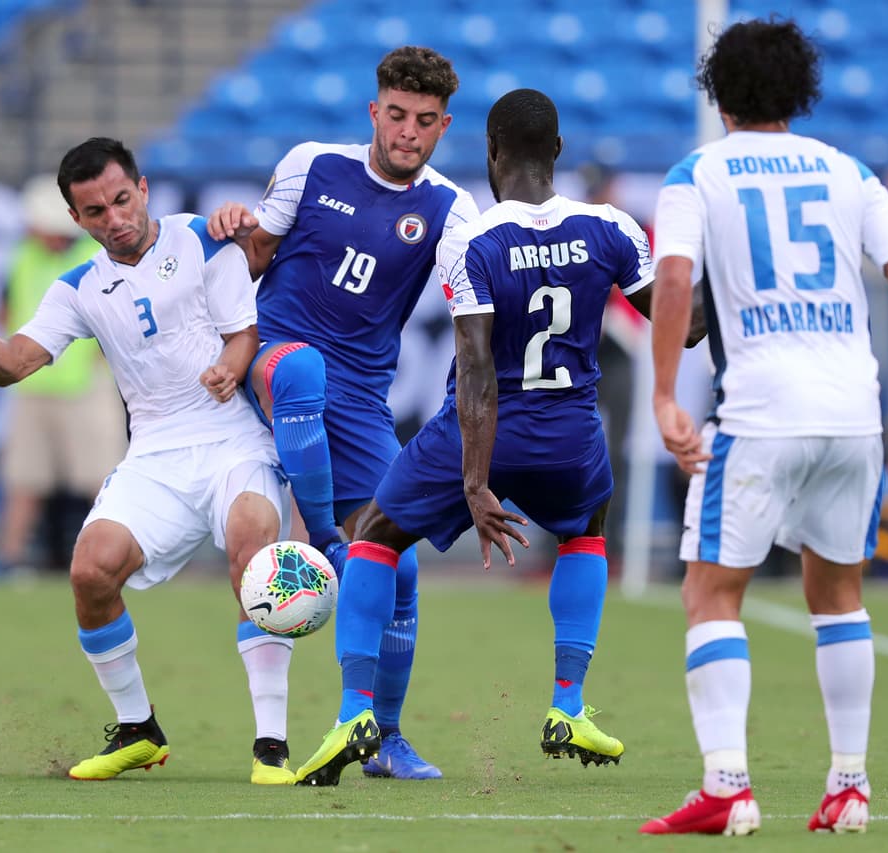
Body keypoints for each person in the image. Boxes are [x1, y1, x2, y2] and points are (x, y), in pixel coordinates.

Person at [291, 88, 705, 787]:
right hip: (572, 431)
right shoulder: (610, 228)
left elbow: (478, 369)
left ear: (491, 154)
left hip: (483, 429)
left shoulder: (475, 240)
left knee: (374, 535)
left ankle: (355, 713)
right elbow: (685, 327)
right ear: (559, 153)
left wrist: (476, 483)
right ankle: (567, 703)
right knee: (585, 529)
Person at [639, 18, 888, 836]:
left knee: (711, 590)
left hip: (760, 413)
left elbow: (674, 277)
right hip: (853, 413)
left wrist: (667, 393)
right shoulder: (849, 172)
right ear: (800, 90)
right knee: (838, 595)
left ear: (719, 92)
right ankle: (849, 783)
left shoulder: (696, 171)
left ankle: (726, 784)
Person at [0, 137, 298, 785]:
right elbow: (14, 365)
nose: (114, 218)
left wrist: (228, 368)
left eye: (121, 199)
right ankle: (138, 728)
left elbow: (245, 332)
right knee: (90, 570)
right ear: (77, 220)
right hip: (154, 452)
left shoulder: (202, 238)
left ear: (144, 188)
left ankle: (271, 743)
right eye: (95, 211)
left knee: (252, 550)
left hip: (233, 439)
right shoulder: (78, 288)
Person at [207, 45, 480, 781]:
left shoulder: (453, 208)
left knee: (397, 562)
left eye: (425, 121)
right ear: (374, 111)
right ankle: (327, 540)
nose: (407, 133)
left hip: (361, 395)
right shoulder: (313, 164)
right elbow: (255, 254)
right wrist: (235, 230)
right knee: (302, 369)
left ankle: (381, 735)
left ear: (443, 125)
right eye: (396, 115)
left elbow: (473, 311)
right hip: (277, 357)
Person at [0, 174, 126, 575]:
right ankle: (9, 562)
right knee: (24, 480)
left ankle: (123, 560)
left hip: (85, 387)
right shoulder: (22, 256)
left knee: (104, 484)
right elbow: (6, 309)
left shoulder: (97, 258)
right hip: (33, 386)